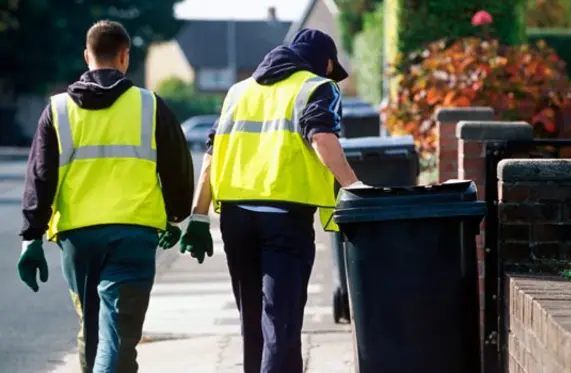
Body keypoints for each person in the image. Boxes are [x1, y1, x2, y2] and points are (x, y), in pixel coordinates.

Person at [178, 28, 365, 373]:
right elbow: (321, 134)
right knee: (281, 321)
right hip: (284, 219)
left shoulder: (239, 91)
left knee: (253, 320)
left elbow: (212, 153)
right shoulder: (317, 87)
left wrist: (200, 216)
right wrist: (354, 186)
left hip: (236, 219)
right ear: (325, 62)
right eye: (330, 68)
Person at [16, 20, 194, 372]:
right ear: (125, 57)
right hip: (133, 235)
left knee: (94, 330)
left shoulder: (58, 110)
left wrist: (31, 237)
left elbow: (40, 176)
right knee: (119, 336)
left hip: (77, 239)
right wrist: (176, 215)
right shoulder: (150, 106)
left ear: (87, 56)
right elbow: (177, 167)